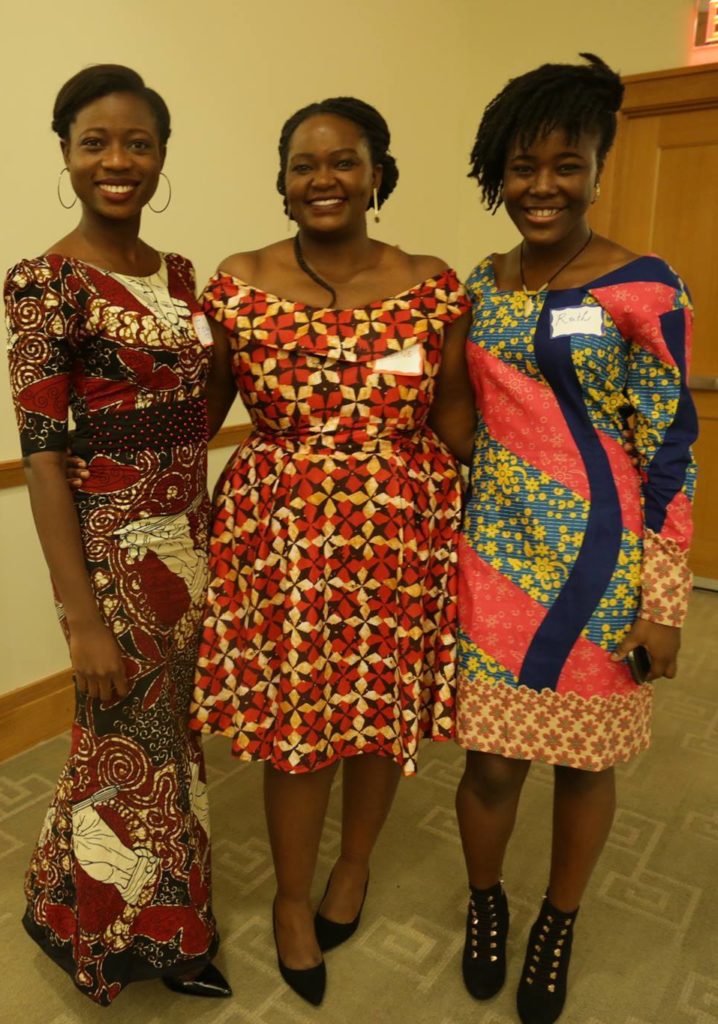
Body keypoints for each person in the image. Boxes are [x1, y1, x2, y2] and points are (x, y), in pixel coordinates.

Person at [187, 96, 471, 1005]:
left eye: (344, 161)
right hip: (283, 544)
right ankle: (294, 902)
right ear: (282, 181)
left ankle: (355, 867)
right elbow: (195, 419)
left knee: (380, 715)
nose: (323, 178)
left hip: (403, 537)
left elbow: (461, 422)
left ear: (378, 173)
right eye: (304, 164)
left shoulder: (433, 285)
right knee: (297, 735)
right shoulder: (237, 282)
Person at [435, 54, 697, 1024]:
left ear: (597, 164)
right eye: (520, 166)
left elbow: (671, 449)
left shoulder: (643, 286)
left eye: (564, 164)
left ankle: (558, 917)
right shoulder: (481, 281)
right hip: (492, 564)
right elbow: (457, 414)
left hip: (601, 562)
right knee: (491, 761)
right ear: (494, 173)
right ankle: (487, 903)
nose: (540, 185)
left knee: (584, 763)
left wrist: (662, 603)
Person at [3, 65, 231, 1005]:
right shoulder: (40, 283)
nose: (117, 159)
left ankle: (150, 913)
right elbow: (46, 462)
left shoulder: (179, 276)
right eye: (95, 141)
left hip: (189, 530)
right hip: (110, 553)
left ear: (163, 155)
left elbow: (201, 400)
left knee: (166, 739)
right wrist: (83, 621)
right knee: (115, 747)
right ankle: (110, 942)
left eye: (137, 142)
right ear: (64, 152)